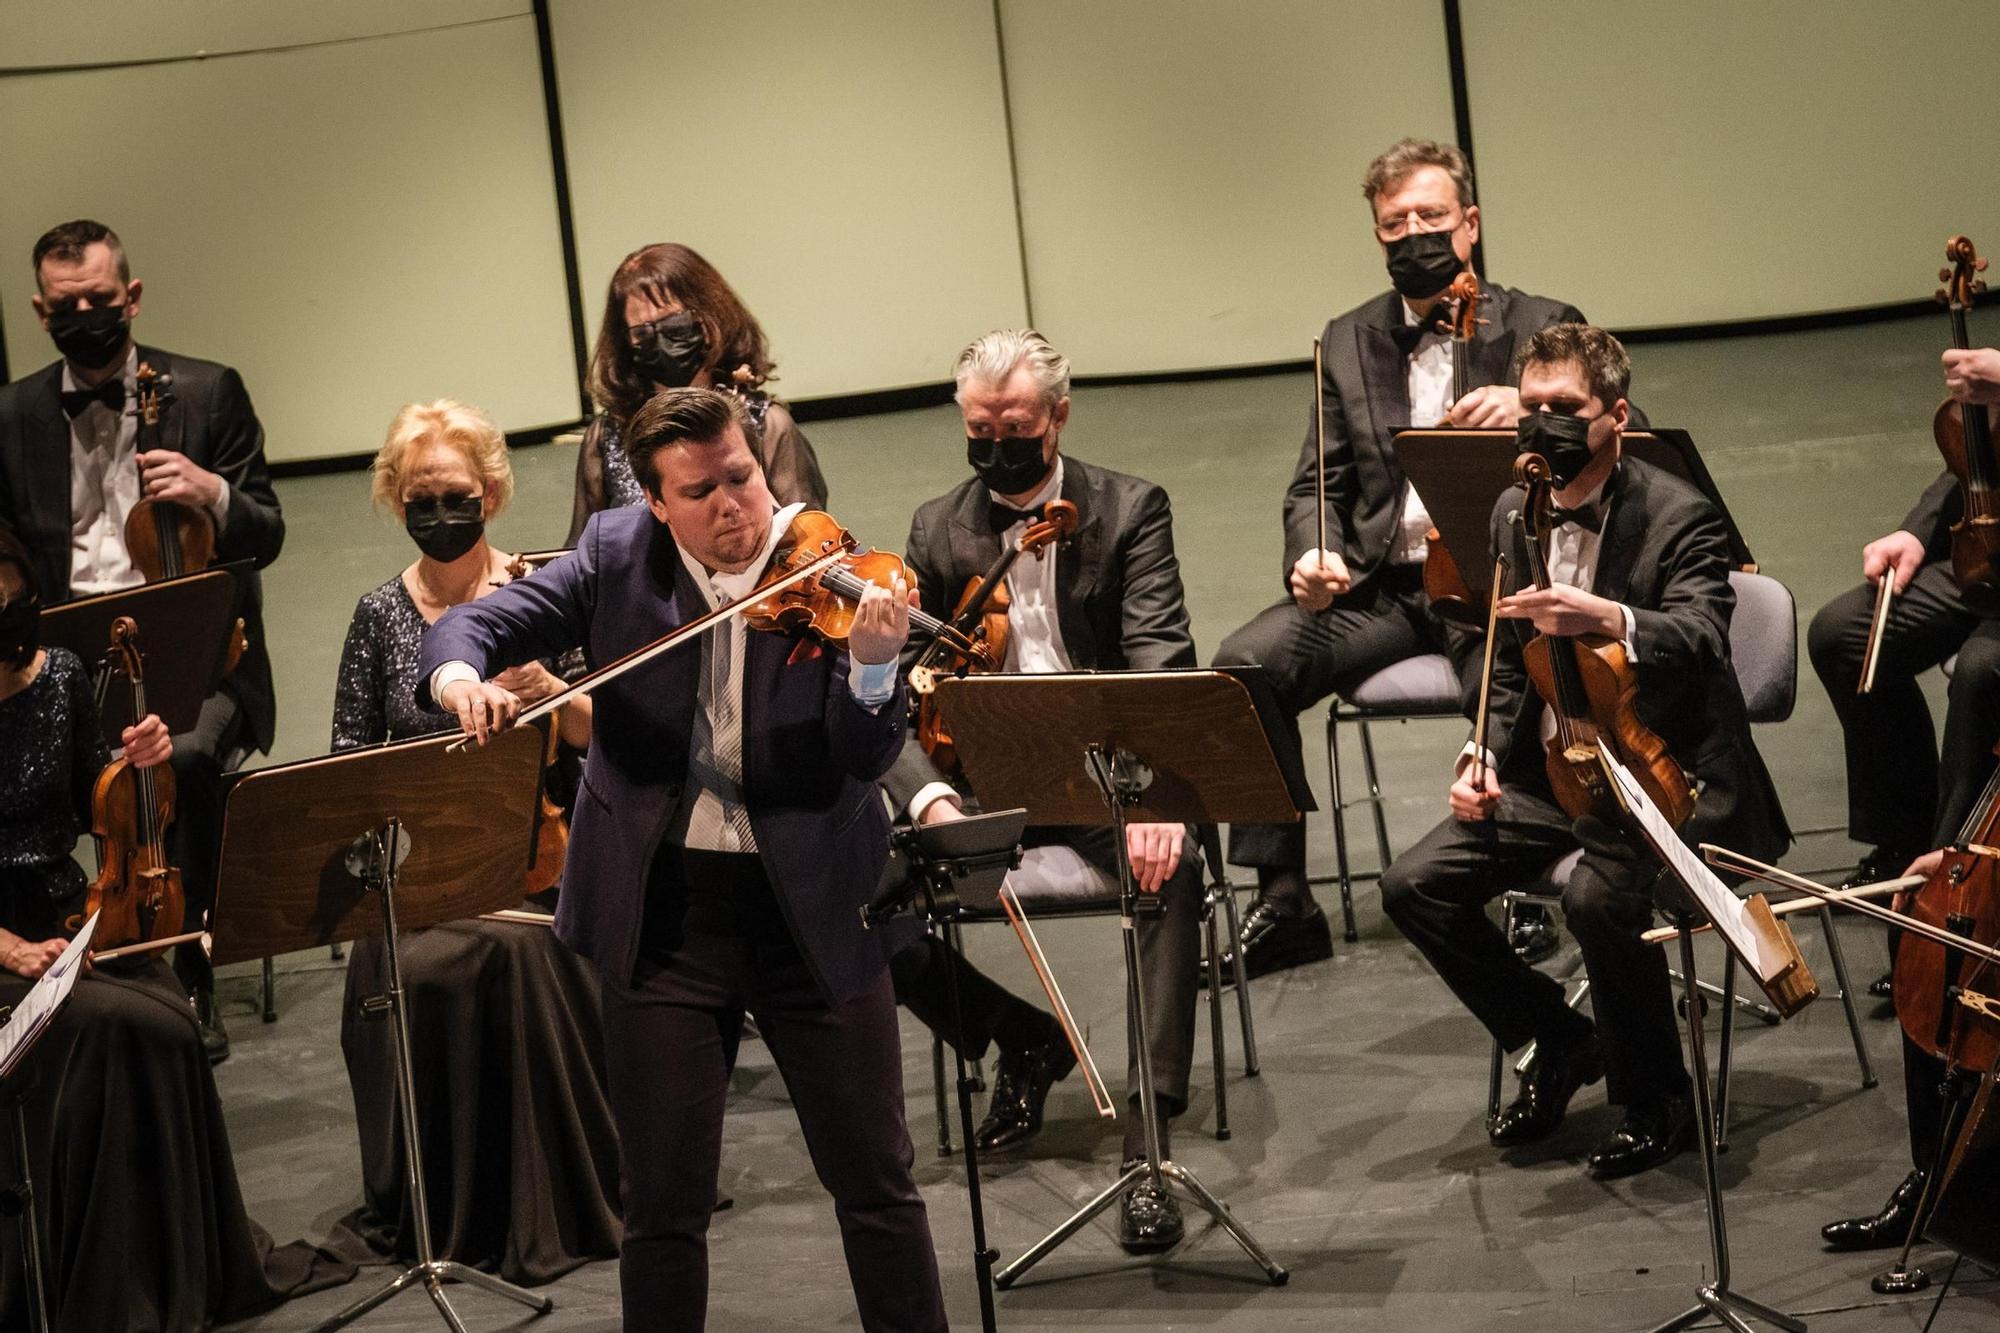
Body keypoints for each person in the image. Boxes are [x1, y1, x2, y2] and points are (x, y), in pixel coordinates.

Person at [422, 387, 945, 1331]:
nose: (734, 505)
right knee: (661, 1205)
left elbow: (865, 758)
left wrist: (873, 669)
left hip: (812, 905)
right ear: (659, 503)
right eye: (701, 492)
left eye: (741, 476)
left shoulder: (827, 567)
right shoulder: (615, 554)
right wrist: (460, 677)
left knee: (877, 1183)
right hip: (667, 916)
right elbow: (477, 628)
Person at [1379, 324, 1789, 1179]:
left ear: (1616, 416)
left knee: (1601, 901)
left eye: (1565, 410)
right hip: (1555, 771)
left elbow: (1706, 635)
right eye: (1530, 409)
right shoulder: (1508, 511)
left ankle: (1658, 1099)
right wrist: (1481, 753)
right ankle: (1559, 1039)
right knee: (1413, 886)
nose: (1542, 427)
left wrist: (1607, 616)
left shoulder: (1680, 513)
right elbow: (1503, 660)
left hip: (1664, 773)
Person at [1214, 139, 1625, 978]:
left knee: (1515, 687)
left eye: (1431, 217)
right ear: (1376, 235)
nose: (1414, 234)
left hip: (1494, 580)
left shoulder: (1543, 326)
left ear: (1469, 226)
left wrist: (1529, 404)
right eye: (1394, 222)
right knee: (1243, 666)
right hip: (1381, 587)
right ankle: (1285, 896)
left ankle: (1513, 888)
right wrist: (1314, 551)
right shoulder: (1347, 338)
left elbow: (1630, 424)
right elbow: (1314, 483)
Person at [883, 328, 1206, 1253]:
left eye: (1014, 427)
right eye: (977, 430)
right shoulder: (940, 527)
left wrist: (1151, 805)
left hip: (1108, 767)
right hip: (989, 775)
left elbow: (1158, 661)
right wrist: (929, 796)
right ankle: (1015, 1033)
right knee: (859, 882)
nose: (994, 449)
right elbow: (905, 680)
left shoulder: (1129, 509)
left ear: (1057, 416)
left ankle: (1148, 1152)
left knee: (1170, 874)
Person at [0, 527, 347, 1329]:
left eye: (16, 597)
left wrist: (146, 764)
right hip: (4, 943)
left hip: (66, 918)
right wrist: (10, 948)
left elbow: (119, 810)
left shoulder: (57, 680)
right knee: (117, 1024)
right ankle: (105, 1290)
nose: (11, 617)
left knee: (169, 1018)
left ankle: (175, 1266)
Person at [328, 399, 619, 1282]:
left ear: (490, 492)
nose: (440, 511)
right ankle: (451, 1201)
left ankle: (551, 1194)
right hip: (417, 878)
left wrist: (545, 686)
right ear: (396, 499)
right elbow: (345, 764)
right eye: (421, 496)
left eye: (456, 494)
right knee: (433, 965)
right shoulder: (378, 617)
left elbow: (603, 737)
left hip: (538, 864)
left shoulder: (542, 594)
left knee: (527, 957)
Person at [0, 218, 285, 1061]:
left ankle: (186, 966)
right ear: (39, 310)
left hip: (196, 668)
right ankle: (42, 948)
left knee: (181, 758)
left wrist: (214, 494)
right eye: (66, 305)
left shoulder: (207, 391)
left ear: (132, 296)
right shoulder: (12, 413)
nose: (86, 314)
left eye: (100, 299)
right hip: (52, 668)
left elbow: (266, 534)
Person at [1819, 342, 2000, 1252]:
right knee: (1849, 632)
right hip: (1988, 554)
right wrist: (1921, 531)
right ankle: (1914, 854)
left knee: (1982, 671)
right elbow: (1972, 455)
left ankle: (1951, 865)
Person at [568, 241, 827, 541]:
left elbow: (810, 542)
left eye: (672, 323)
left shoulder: (768, 425)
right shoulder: (607, 436)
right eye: (642, 332)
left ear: (708, 316)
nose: (659, 339)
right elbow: (583, 553)